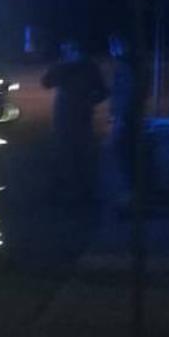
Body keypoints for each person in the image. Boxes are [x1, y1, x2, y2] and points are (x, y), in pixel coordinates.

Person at [42, 40, 108, 203]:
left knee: (75, 155)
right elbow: (47, 82)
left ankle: (77, 192)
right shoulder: (83, 66)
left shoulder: (85, 67)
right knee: (70, 155)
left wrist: (91, 100)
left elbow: (102, 91)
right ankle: (73, 191)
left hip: (74, 118)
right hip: (69, 118)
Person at [107, 34, 146, 210]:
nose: (111, 50)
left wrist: (119, 118)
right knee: (127, 154)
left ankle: (129, 195)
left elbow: (125, 94)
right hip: (131, 117)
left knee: (123, 155)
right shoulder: (134, 65)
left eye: (114, 45)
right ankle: (132, 194)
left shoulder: (124, 67)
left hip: (125, 119)